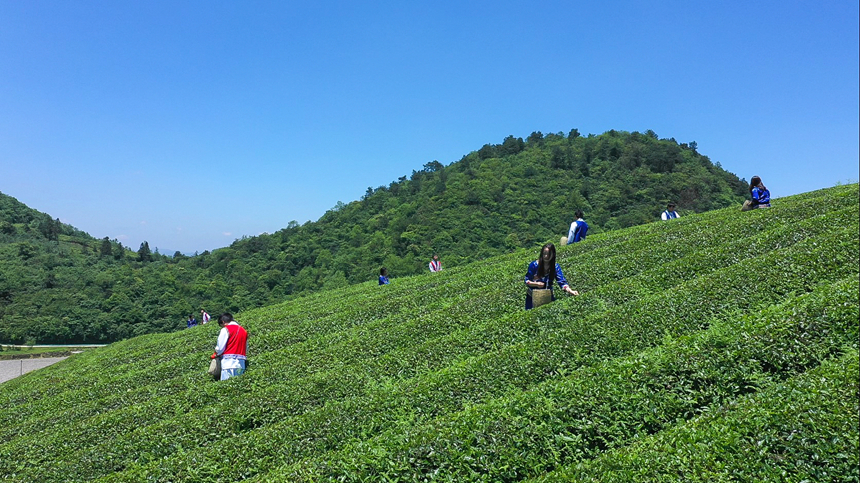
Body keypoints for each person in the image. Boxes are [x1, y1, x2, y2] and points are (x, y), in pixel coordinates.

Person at [524, 243, 579, 309]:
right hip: (533, 297)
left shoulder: (555, 267)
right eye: (544, 253)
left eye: (549, 254)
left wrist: (570, 291)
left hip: (547, 296)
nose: (546, 256)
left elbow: (561, 281)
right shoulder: (534, 265)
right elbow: (527, 280)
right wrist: (536, 284)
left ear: (553, 254)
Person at [211, 313, 248, 381]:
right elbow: (246, 348)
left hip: (228, 363)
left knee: (226, 385)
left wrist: (216, 353)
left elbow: (220, 348)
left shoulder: (226, 330)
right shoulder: (243, 330)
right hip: (241, 363)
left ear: (223, 322)